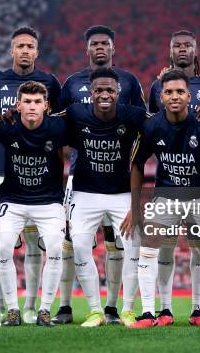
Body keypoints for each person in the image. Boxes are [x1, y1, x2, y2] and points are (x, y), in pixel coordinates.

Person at [121, 70, 200, 329]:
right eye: (169, 92)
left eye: (180, 92)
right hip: (167, 195)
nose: (175, 96)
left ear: (189, 96)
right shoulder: (151, 126)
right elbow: (136, 163)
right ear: (161, 97)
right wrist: (136, 208)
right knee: (150, 247)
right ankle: (151, 313)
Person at [54, 25, 146, 325]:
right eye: (95, 43)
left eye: (106, 43)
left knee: (127, 246)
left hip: (121, 189)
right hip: (82, 185)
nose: (100, 48)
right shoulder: (72, 89)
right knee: (76, 244)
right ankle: (89, 309)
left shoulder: (131, 85)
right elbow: (52, 125)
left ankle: (123, 308)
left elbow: (154, 125)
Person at [148, 30, 200, 326]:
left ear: (196, 50)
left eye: (187, 45)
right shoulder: (157, 86)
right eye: (177, 46)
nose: (182, 50)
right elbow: (153, 125)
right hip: (167, 182)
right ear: (170, 51)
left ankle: (198, 308)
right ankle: (164, 309)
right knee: (164, 246)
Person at [0, 26, 61, 323]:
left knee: (35, 246)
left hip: (41, 179)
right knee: (0, 243)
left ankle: (32, 305)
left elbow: (60, 122)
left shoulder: (50, 82)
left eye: (30, 45)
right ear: (11, 50)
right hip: (2, 174)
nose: (25, 50)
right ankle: (3, 305)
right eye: (20, 46)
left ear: (37, 51)